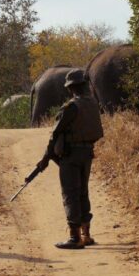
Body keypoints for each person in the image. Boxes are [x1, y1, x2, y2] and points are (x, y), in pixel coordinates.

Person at [36, 68, 104, 249]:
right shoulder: (93, 104)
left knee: (70, 194)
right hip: (87, 153)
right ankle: (86, 234)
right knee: (82, 191)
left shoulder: (72, 107)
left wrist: (46, 157)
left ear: (71, 88)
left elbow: (55, 133)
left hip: (71, 155)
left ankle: (75, 238)